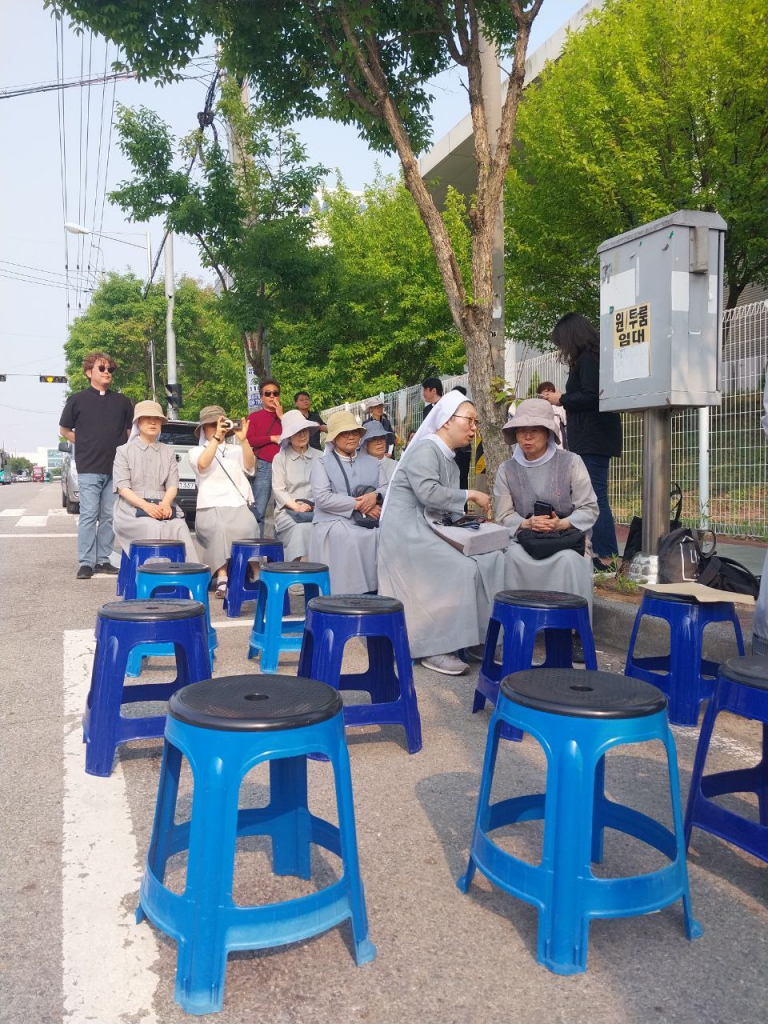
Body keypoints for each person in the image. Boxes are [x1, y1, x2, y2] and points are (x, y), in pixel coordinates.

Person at [377, 391, 504, 676]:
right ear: (447, 421)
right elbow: (429, 493)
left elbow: (446, 504)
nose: (474, 428)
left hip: (428, 528)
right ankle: (434, 647)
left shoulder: (448, 456)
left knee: (490, 559)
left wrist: (474, 520)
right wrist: (471, 494)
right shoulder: (426, 449)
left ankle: (478, 639)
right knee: (460, 567)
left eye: (476, 422)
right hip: (406, 535)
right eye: (469, 421)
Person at [494, 398, 598, 616]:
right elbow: (502, 515)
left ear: (548, 432)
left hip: (567, 539)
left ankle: (568, 624)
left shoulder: (571, 462)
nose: (527, 437)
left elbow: (589, 508)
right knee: (509, 558)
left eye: (534, 430)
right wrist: (526, 523)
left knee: (568, 561)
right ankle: (518, 620)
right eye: (521, 431)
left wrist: (561, 523)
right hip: (525, 539)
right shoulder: (507, 469)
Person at [543, 313, 622, 569]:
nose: (562, 350)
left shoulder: (589, 359)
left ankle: (606, 556)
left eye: (562, 343)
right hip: (591, 437)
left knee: (595, 496)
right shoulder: (591, 357)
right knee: (590, 495)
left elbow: (592, 397)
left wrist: (561, 399)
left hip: (593, 438)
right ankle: (600, 553)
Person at [59, 352, 133, 579]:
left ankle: (103, 559)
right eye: (102, 369)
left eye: (110, 369)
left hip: (115, 468)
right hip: (89, 466)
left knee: (109, 516)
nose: (107, 373)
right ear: (89, 372)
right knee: (89, 515)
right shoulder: (77, 400)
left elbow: (129, 432)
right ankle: (86, 562)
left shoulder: (123, 402)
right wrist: (85, 443)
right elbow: (64, 430)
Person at [309, 410, 385, 593]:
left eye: (354, 432)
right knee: (349, 537)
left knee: (388, 533)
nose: (351, 437)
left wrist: (375, 497)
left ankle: (381, 591)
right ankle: (350, 594)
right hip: (332, 519)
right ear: (334, 438)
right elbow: (322, 498)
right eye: (344, 433)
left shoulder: (373, 461)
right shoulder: (322, 463)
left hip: (372, 517)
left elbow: (388, 487)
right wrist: (359, 505)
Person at [112, 401, 197, 561]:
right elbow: (122, 487)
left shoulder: (168, 451)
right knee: (151, 526)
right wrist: (145, 506)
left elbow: (172, 484)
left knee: (179, 527)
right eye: (147, 418)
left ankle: (187, 579)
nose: (152, 422)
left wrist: (165, 503)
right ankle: (154, 578)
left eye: (157, 419)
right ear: (138, 422)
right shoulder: (123, 451)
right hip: (131, 508)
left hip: (163, 504)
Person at [189, 406, 256, 598]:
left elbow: (250, 466)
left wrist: (244, 440)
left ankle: (256, 572)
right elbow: (203, 464)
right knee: (221, 528)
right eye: (210, 425)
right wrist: (216, 439)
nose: (215, 428)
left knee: (249, 525)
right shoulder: (195, 451)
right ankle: (222, 575)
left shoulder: (235, 449)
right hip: (210, 506)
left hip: (238, 504)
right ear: (203, 429)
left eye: (218, 424)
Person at [271, 409, 322, 560]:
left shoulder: (320, 456)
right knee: (301, 529)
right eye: (297, 432)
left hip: (317, 509)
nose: (302, 435)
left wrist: (317, 506)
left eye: (304, 430)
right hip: (288, 511)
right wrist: (296, 506)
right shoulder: (280, 458)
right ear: (288, 436)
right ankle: (294, 576)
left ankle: (325, 576)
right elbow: (278, 490)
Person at [245, 378, 283, 535]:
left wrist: (282, 417)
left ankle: (281, 550)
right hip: (264, 465)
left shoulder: (286, 418)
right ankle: (256, 549)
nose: (272, 396)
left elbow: (293, 437)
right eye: (268, 393)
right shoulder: (254, 417)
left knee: (283, 508)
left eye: (275, 393)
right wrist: (272, 438)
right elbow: (249, 440)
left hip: (284, 465)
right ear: (261, 397)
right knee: (259, 509)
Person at [536, 381, 567, 448]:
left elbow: (564, 422)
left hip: (557, 436)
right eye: (546, 391)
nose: (548, 393)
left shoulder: (559, 407)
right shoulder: (536, 407)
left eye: (551, 391)